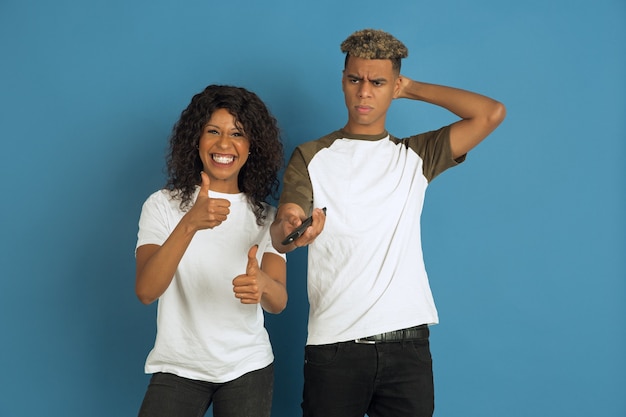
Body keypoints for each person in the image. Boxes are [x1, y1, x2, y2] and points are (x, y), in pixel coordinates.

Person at [270, 29, 506, 417]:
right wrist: (293, 231)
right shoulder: (311, 156)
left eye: (377, 82)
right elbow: (285, 222)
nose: (364, 92)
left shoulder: (416, 156)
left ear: (393, 85)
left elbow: (490, 113)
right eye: (355, 80)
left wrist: (410, 87)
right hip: (335, 348)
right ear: (343, 81)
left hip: (408, 349)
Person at [135, 84, 287, 417]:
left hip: (248, 367)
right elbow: (146, 291)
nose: (224, 144)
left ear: (252, 147)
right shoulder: (162, 206)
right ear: (196, 140)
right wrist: (189, 224)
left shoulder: (266, 216)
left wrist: (262, 284)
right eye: (213, 131)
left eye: (238, 134)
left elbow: (278, 301)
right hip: (178, 366)